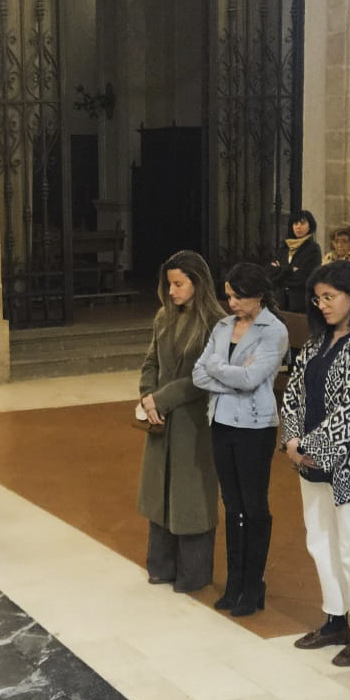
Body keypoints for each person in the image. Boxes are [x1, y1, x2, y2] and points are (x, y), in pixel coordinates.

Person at [281, 260, 350, 665]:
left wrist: (311, 444)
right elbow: (293, 392)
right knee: (321, 540)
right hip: (310, 459)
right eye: (318, 298)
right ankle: (334, 619)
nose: (322, 305)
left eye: (330, 297)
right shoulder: (316, 342)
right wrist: (294, 440)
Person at [192, 264, 289, 616]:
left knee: (254, 505)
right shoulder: (221, 327)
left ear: (258, 295)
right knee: (232, 505)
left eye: (237, 296)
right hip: (220, 421)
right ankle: (234, 582)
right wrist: (229, 373)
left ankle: (253, 584)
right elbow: (198, 373)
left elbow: (251, 379)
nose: (230, 302)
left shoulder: (273, 330)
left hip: (254, 426)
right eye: (228, 295)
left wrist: (220, 368)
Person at [138, 250, 226, 594]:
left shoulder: (216, 323)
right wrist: (148, 396)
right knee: (160, 490)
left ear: (198, 283)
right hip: (160, 417)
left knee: (191, 495)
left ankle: (193, 572)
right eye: (169, 284)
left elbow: (203, 377)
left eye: (179, 284)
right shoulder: (164, 317)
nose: (172, 291)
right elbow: (150, 362)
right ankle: (161, 566)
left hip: (194, 420)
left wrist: (163, 398)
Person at [270, 209, 321, 311]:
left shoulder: (313, 249)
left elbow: (304, 277)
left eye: (302, 223)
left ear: (310, 225)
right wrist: (290, 270)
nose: (298, 227)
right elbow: (271, 273)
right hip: (280, 301)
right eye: (295, 223)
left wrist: (281, 271)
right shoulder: (284, 248)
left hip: (300, 302)